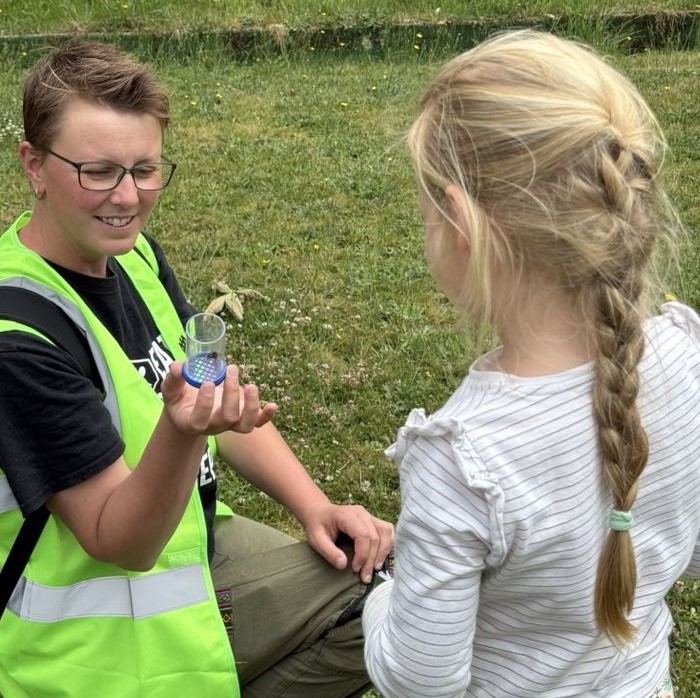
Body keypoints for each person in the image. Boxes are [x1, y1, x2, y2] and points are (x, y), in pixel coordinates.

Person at [0, 40, 393, 698]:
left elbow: (213, 397)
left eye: (145, 169)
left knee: (383, 588)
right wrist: (182, 433)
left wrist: (315, 506)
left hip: (194, 551)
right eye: (97, 172)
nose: (127, 197)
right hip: (94, 644)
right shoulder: (18, 336)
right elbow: (119, 542)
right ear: (33, 166)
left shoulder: (136, 261)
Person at [362, 29, 700, 698]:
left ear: (459, 224)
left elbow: (422, 679)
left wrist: (383, 598)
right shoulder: (686, 356)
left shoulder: (463, 462)